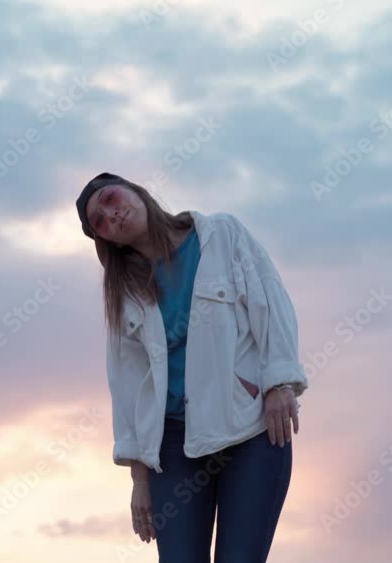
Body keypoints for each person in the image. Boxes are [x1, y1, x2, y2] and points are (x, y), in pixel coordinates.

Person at [76, 172, 309, 562]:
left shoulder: (220, 235)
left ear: (135, 190)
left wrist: (279, 383)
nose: (112, 214)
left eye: (112, 198)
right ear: (106, 240)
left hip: (250, 429)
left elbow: (270, 301)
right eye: (100, 221)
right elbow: (127, 385)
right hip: (174, 447)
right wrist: (139, 478)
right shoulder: (125, 295)